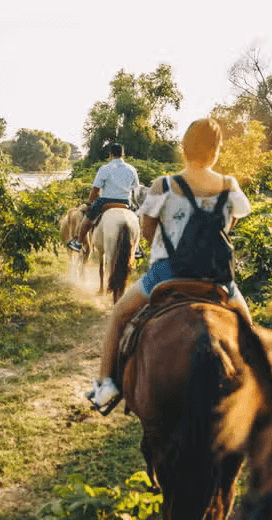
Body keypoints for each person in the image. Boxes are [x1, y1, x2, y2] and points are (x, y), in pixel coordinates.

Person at [88, 118, 253, 409]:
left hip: (168, 272)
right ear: (216, 151)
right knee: (248, 327)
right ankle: (257, 387)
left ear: (183, 149)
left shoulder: (163, 185)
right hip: (217, 279)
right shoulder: (229, 186)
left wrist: (166, 251)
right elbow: (231, 222)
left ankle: (106, 385)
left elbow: (149, 228)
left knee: (119, 315)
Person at [67, 143, 140, 252]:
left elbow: (96, 189)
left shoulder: (105, 168)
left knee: (88, 219)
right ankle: (137, 248)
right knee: (136, 220)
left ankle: (78, 242)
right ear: (123, 154)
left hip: (105, 201)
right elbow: (136, 188)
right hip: (126, 201)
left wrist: (89, 203)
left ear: (110, 154)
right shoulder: (132, 169)